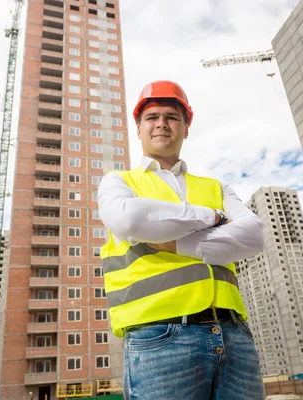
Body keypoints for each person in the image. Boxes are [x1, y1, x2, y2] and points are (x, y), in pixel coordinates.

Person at [97, 80, 266, 400]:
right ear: (139, 128)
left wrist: (175, 242)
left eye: (172, 116)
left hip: (234, 335)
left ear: (186, 128)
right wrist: (210, 217)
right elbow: (130, 219)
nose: (162, 123)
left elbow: (254, 235)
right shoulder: (119, 182)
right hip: (158, 337)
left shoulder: (216, 186)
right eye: (152, 116)